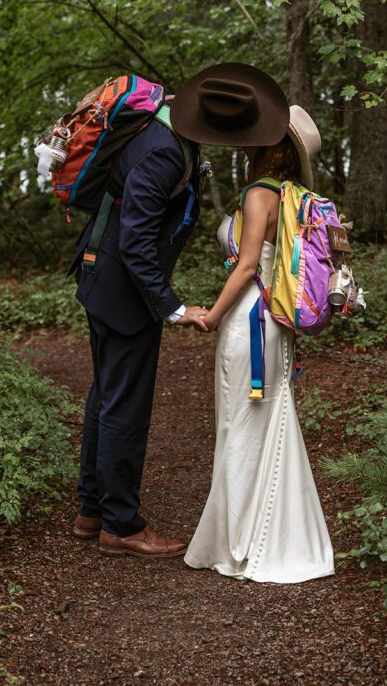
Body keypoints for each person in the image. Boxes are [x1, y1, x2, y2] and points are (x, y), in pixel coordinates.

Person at [69, 63, 290, 559]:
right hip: (122, 290)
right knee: (125, 406)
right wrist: (173, 307)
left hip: (103, 278)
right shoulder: (163, 152)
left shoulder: (166, 130)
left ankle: (92, 510)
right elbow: (136, 241)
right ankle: (121, 524)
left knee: (107, 395)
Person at [176, 104, 335, 583]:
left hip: (249, 319)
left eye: (258, 135)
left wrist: (210, 315)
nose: (246, 141)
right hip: (276, 324)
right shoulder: (293, 197)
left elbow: (246, 267)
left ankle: (241, 543)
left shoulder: (257, 195)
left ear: (273, 147)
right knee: (267, 421)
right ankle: (277, 536)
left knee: (242, 425)